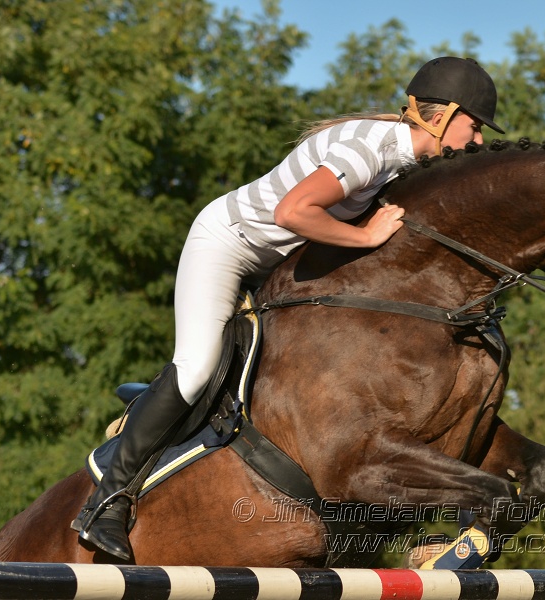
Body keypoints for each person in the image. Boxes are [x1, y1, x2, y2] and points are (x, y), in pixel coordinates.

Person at [70, 57, 504, 561]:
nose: (477, 141)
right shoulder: (370, 149)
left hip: (277, 267)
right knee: (196, 368)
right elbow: (292, 211)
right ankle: (107, 502)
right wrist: (366, 236)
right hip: (229, 247)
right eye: (475, 127)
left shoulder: (403, 162)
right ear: (442, 116)